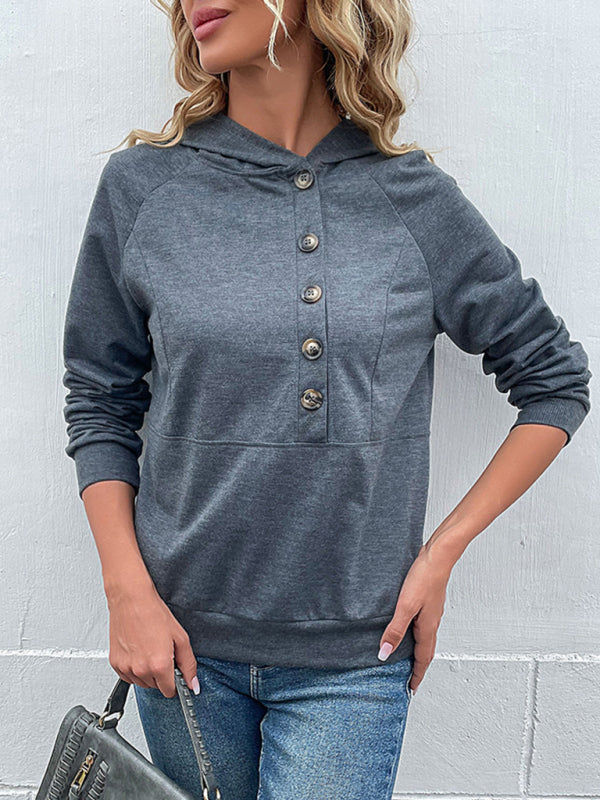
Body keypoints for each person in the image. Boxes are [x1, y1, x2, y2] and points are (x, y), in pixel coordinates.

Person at [60, 0, 592, 798]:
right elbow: (100, 397)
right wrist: (125, 590)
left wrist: (440, 555)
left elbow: (553, 378)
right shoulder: (144, 187)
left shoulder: (411, 198)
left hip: (355, 657)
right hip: (181, 651)